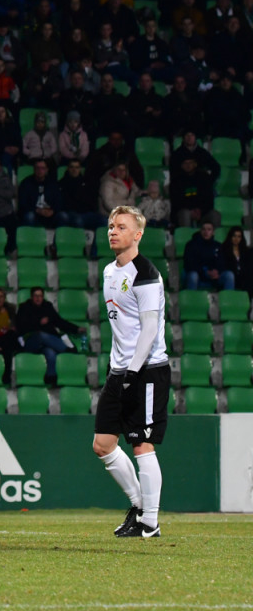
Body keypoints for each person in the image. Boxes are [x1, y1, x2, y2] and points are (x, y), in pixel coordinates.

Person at [94, 205, 169, 538]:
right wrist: (119, 371)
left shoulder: (146, 274)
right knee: (103, 444)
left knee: (142, 445)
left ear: (138, 234)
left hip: (147, 370)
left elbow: (150, 329)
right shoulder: (109, 272)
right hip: (119, 370)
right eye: (111, 226)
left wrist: (134, 373)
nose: (113, 231)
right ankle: (140, 505)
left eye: (121, 227)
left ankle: (149, 523)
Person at [17, 287, 84, 384]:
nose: (38, 298)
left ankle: (51, 379)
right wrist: (38, 323)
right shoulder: (24, 307)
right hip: (31, 341)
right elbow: (21, 326)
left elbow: (59, 322)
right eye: (36, 296)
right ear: (31, 297)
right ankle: (67, 349)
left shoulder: (47, 306)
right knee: (41, 335)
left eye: (40, 296)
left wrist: (76, 329)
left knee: (50, 353)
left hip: (47, 344)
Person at [183, 219, 234, 291]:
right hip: (199, 275)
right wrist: (205, 272)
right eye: (203, 229)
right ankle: (192, 299)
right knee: (193, 276)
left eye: (209, 230)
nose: (206, 232)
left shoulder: (218, 246)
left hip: (214, 277)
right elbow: (189, 264)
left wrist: (217, 271)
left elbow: (223, 262)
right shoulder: (191, 245)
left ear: (213, 232)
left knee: (229, 275)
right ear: (200, 231)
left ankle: (229, 300)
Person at [169, 156, 215, 229]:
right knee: (185, 213)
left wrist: (201, 210)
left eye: (190, 162)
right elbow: (176, 201)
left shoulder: (204, 177)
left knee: (214, 215)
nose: (188, 165)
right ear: (181, 165)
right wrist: (191, 210)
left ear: (195, 164)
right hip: (184, 210)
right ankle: (185, 237)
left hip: (202, 212)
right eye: (185, 163)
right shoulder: (176, 180)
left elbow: (208, 198)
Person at [18, 160, 66, 227]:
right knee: (29, 216)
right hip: (34, 212)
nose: (40, 170)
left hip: (50, 213)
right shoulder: (26, 183)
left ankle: (59, 237)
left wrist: (52, 211)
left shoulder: (53, 184)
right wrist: (37, 210)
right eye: (37, 168)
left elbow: (59, 201)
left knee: (63, 216)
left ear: (47, 170)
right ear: (34, 169)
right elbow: (23, 204)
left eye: (42, 168)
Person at [61, 158, 105, 231]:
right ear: (68, 168)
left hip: (87, 213)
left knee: (104, 221)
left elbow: (91, 200)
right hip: (72, 213)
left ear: (80, 169)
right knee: (78, 221)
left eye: (77, 167)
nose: (74, 170)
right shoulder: (62, 184)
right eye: (72, 167)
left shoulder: (87, 183)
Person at [221, 226, 253, 296]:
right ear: (230, 237)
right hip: (231, 276)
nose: (236, 239)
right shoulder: (224, 249)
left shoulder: (245, 251)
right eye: (234, 236)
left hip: (242, 277)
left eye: (239, 237)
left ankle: (248, 303)